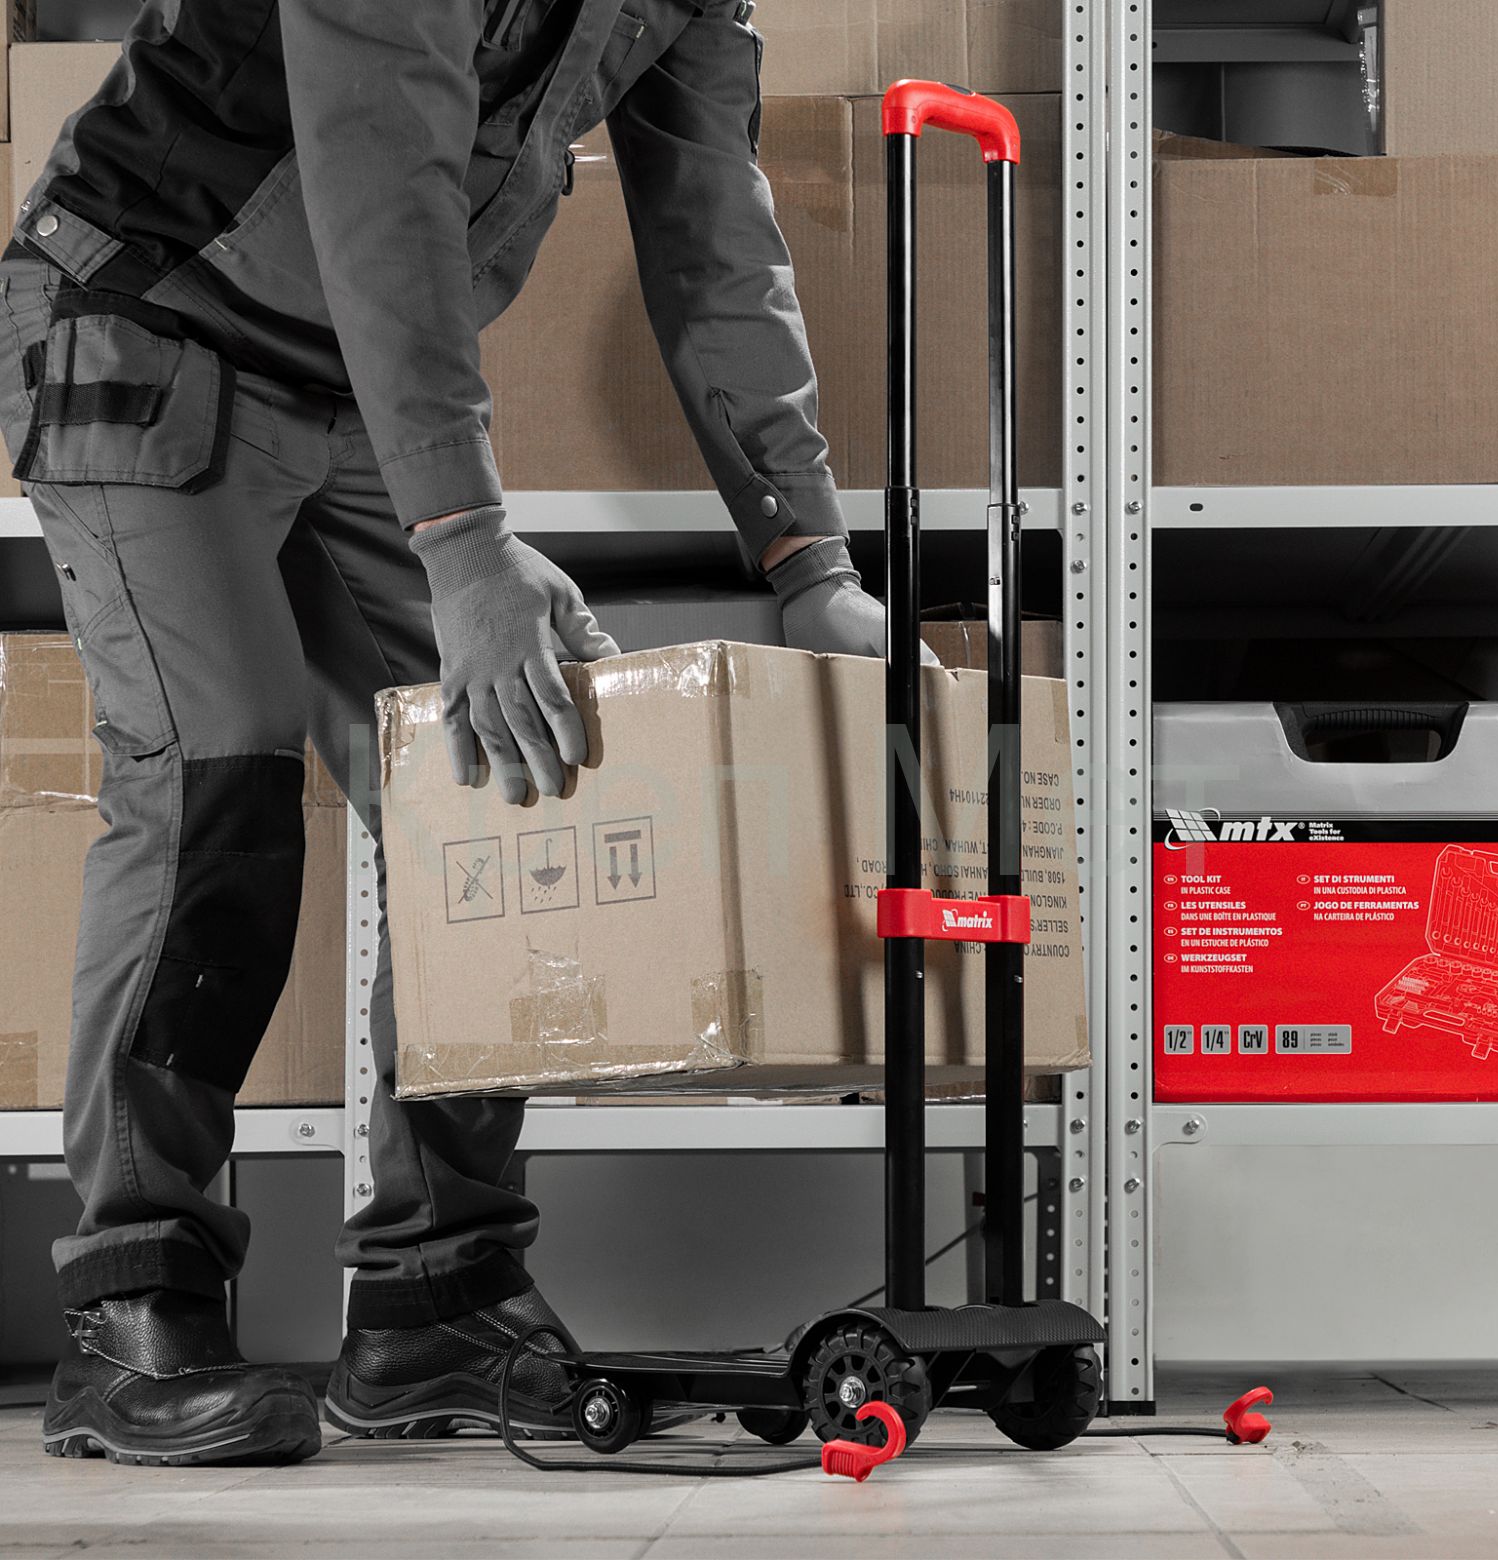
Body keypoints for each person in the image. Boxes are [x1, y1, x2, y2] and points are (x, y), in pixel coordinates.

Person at [6, 0, 930, 1468]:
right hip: (148, 310)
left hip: (351, 382)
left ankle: (433, 1297)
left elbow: (712, 227)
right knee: (215, 774)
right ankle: (134, 1307)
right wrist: (463, 540)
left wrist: (809, 560)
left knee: (512, 773)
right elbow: (379, 167)